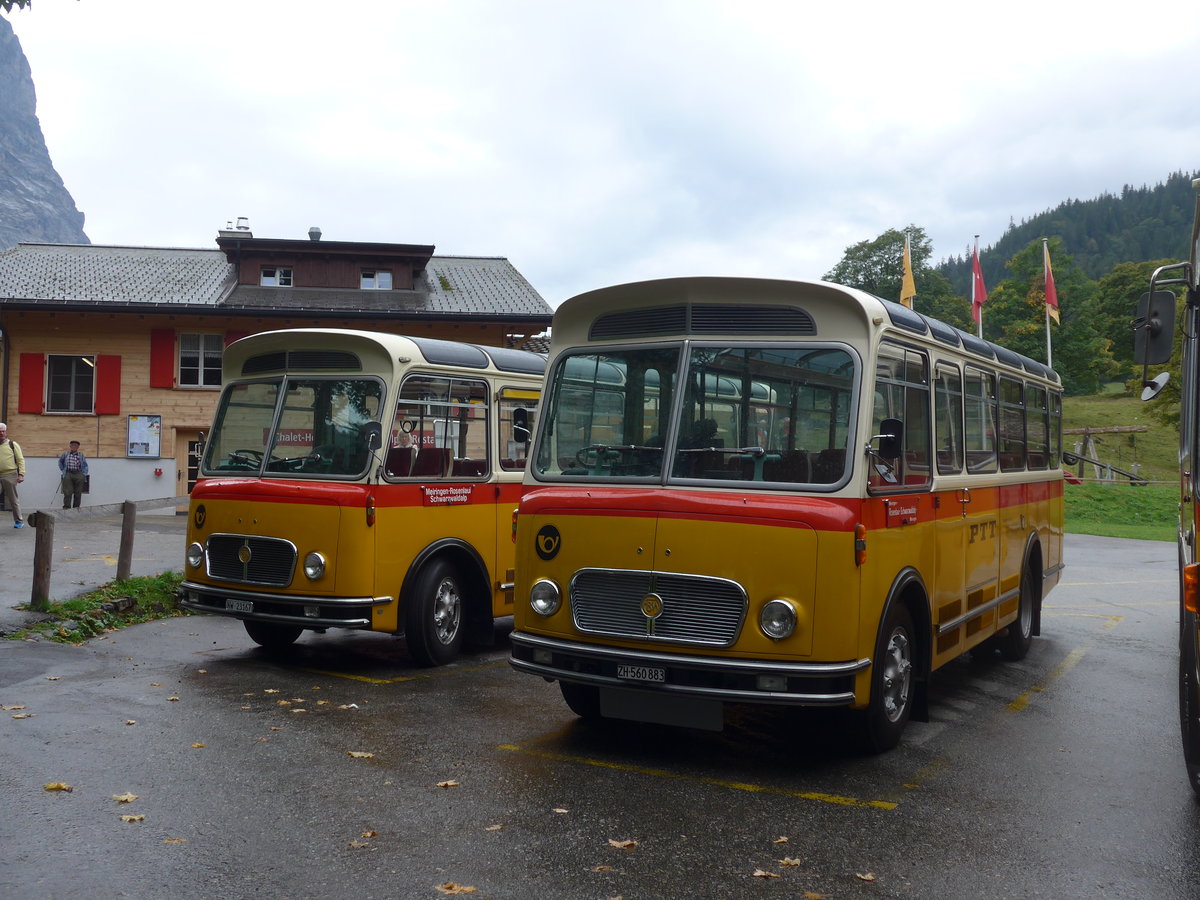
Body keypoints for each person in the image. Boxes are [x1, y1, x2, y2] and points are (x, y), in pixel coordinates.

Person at [0, 422, 26, 528]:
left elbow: (20, 460)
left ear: (6, 432)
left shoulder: (12, 444)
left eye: (3, 431)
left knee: (13, 499)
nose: (1, 433)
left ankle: (19, 521)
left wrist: (21, 474)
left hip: (9, 474)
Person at [58, 439, 89, 510]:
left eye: (76, 445)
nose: (74, 446)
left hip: (78, 474)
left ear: (78, 447)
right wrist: (63, 471)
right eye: (72, 445)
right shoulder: (65, 454)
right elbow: (60, 462)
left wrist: (83, 474)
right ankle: (66, 508)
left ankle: (76, 509)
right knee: (67, 492)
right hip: (68, 473)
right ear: (70, 446)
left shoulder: (81, 455)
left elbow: (85, 465)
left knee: (78, 493)